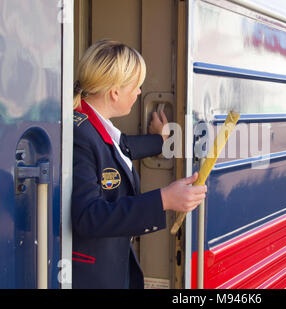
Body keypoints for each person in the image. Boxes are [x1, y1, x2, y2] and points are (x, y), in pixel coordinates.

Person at [71, 39, 206, 289]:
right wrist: (164, 199)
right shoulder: (81, 136)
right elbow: (87, 216)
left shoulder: (90, 124)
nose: (139, 93)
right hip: (94, 278)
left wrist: (159, 140)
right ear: (115, 92)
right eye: (137, 86)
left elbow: (122, 147)